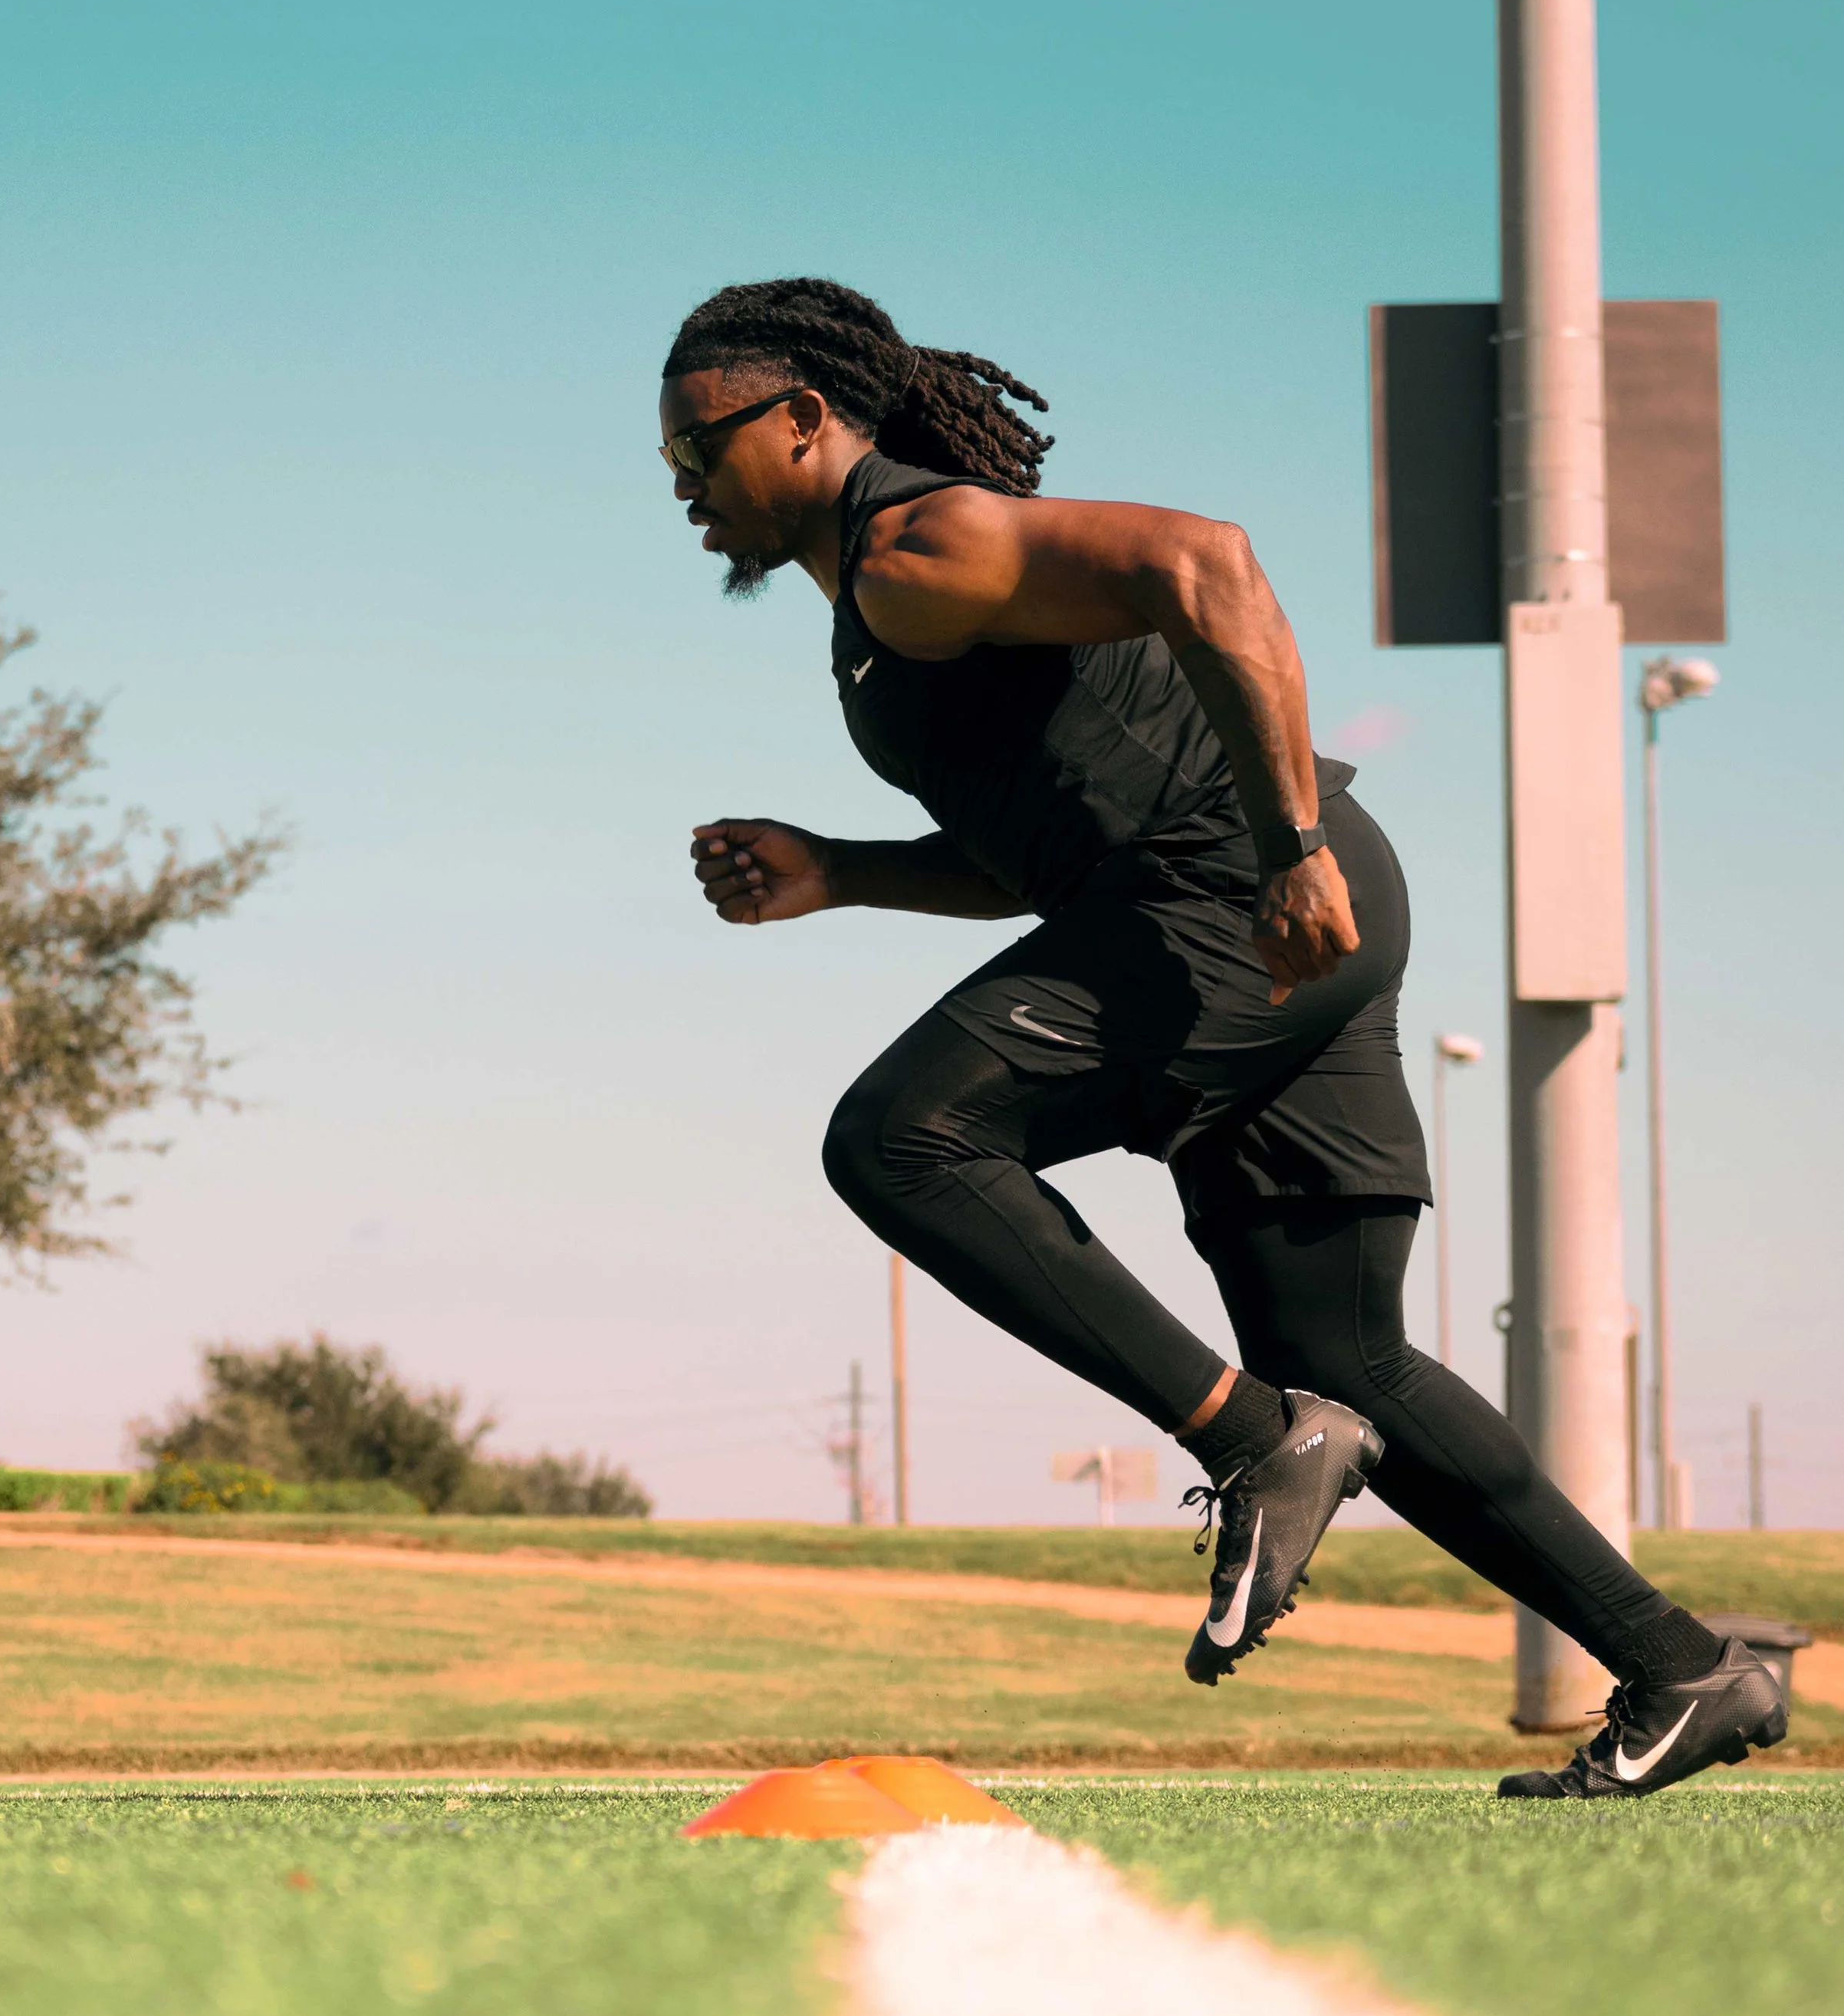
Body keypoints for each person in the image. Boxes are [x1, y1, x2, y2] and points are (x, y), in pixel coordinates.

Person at [661, 275, 1783, 1801]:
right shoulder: (880, 614)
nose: (681, 485)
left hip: (1245, 906)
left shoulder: (917, 540)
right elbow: (1037, 854)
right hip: (1252, 914)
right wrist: (843, 872)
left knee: (902, 1138)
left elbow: (1209, 564)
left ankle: (1251, 1441)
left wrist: (1287, 843)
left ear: (801, 421)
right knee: (1350, 1357)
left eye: (699, 445)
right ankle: (1681, 1667)